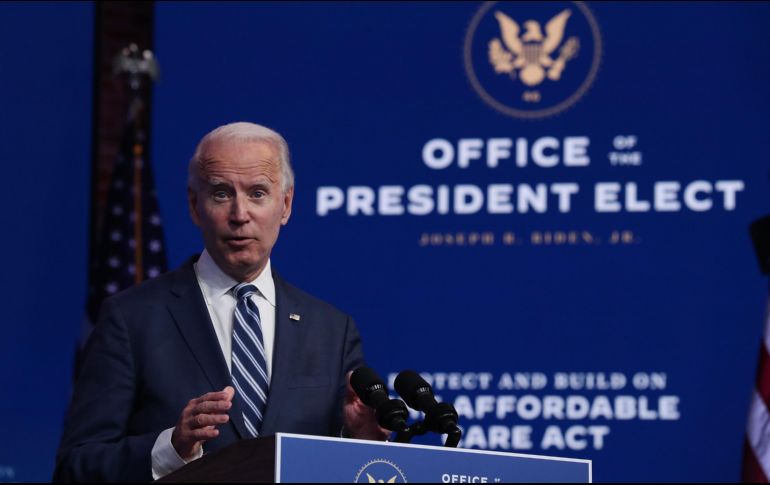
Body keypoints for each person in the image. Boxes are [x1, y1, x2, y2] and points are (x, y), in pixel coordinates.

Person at [54, 122, 389, 482]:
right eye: (221, 194)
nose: (239, 214)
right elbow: (76, 467)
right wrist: (172, 448)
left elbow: (343, 464)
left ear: (286, 204)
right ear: (195, 206)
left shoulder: (332, 331)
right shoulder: (131, 319)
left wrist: (361, 442)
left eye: (258, 193)